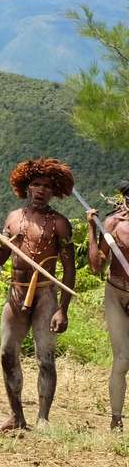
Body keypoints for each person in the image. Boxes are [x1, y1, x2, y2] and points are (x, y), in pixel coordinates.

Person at [0, 158, 75, 430]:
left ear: (54, 191)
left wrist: (63, 309)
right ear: (27, 187)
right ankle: (16, 416)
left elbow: (69, 269)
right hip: (16, 292)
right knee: (7, 353)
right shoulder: (13, 218)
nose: (41, 190)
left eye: (47, 187)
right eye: (36, 184)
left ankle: (43, 419)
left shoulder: (60, 223)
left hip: (45, 295)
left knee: (45, 358)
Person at [85, 180, 129, 431]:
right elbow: (96, 265)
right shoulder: (113, 223)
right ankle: (116, 419)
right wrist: (92, 229)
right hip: (116, 294)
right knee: (122, 359)